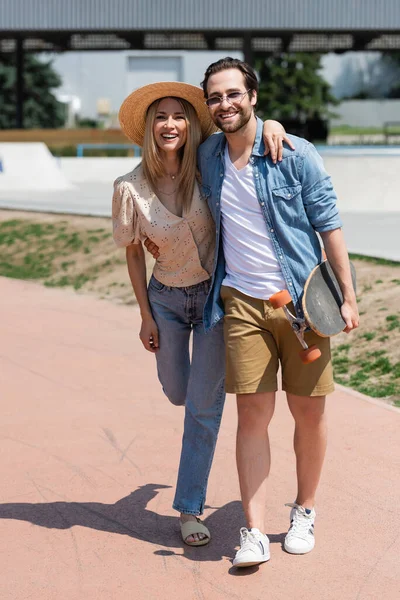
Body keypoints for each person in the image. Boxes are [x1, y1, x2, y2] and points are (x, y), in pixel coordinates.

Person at [195, 57, 360, 567]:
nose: (225, 103)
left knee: (309, 414)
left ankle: (304, 510)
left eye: (233, 94)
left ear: (253, 96)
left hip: (305, 300)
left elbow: (328, 224)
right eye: (215, 97)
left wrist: (348, 296)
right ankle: (252, 530)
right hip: (242, 301)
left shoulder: (293, 153)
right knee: (252, 414)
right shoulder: (208, 156)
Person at [111, 81, 291, 547]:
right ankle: (184, 401)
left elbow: (248, 131)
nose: (170, 124)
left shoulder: (209, 165)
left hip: (213, 300)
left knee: (203, 409)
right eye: (160, 118)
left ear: (190, 124)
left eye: (178, 116)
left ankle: (189, 508)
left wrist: (271, 121)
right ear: (150, 128)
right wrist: (146, 316)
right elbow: (133, 254)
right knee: (177, 392)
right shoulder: (129, 188)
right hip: (165, 301)